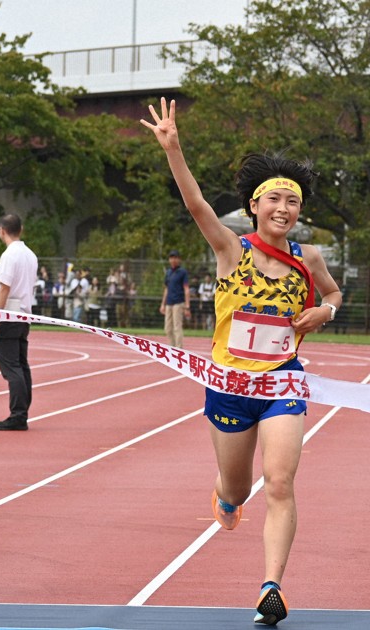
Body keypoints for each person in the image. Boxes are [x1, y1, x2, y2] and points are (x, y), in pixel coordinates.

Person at [143, 97, 342, 626]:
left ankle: (271, 587)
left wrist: (324, 311)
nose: (284, 208)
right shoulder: (231, 250)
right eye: (274, 198)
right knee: (237, 487)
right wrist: (173, 149)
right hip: (230, 386)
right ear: (255, 205)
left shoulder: (308, 258)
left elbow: (333, 294)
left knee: (279, 483)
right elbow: (196, 205)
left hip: (282, 384)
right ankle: (226, 498)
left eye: (293, 201)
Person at [0, 214, 38, 432]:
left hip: (8, 314)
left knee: (13, 368)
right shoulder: (30, 255)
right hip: (23, 314)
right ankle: (22, 412)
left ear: (1, 231)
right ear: (21, 229)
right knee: (21, 365)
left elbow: (4, 288)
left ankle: (18, 415)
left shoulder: (10, 255)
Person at [160, 250, 190, 347]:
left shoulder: (183, 272)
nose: (173, 260)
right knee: (167, 329)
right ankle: (173, 348)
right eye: (171, 258)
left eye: (175, 258)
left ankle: (179, 349)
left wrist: (187, 306)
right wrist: (162, 304)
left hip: (178, 302)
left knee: (177, 327)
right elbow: (166, 289)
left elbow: (186, 289)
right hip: (169, 303)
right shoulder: (168, 272)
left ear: (179, 259)